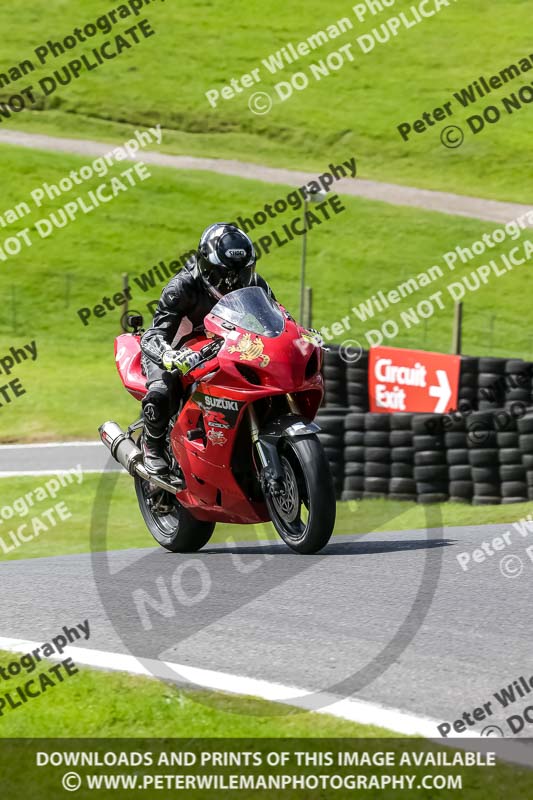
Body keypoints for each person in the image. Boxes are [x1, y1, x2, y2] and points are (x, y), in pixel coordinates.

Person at [139, 222, 276, 475]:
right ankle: (153, 446)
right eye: (222, 274)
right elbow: (153, 335)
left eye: (240, 274)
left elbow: (276, 318)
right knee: (161, 389)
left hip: (223, 346)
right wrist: (168, 354)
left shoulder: (255, 283)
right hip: (177, 349)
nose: (232, 282)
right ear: (205, 266)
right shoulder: (181, 288)